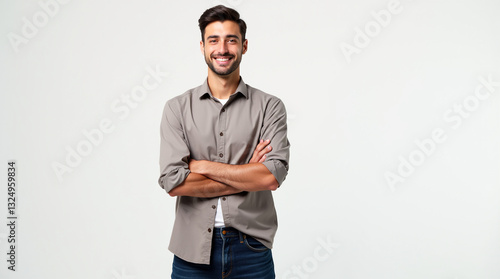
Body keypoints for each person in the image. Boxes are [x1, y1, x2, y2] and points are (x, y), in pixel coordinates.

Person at [158, 5, 290, 278]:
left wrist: (202, 166)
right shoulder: (177, 109)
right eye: (214, 40)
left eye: (231, 39)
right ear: (202, 46)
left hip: (251, 248)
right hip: (192, 251)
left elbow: (270, 178)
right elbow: (173, 182)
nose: (223, 48)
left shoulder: (270, 107)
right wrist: (246, 171)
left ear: (244, 45)